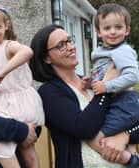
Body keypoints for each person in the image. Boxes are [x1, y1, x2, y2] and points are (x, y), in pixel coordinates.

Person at [29, 24, 139, 168]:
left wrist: (125, 136)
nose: (70, 47)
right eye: (61, 45)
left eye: (69, 40)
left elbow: (133, 115)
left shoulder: (91, 82)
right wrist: (105, 87)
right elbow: (84, 128)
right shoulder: (49, 93)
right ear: (47, 58)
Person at [0, 1, 44, 168]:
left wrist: (3, 71)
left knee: (23, 151)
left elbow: (26, 52)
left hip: (16, 106)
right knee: (16, 149)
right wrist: (21, 130)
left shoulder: (6, 47)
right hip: (7, 117)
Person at [88, 3, 139, 163]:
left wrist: (106, 87)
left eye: (118, 27)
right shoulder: (103, 52)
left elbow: (133, 75)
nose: (113, 31)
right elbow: (103, 74)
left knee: (98, 138)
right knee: (126, 141)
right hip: (114, 100)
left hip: (123, 102)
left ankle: (130, 161)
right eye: (107, 28)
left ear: (127, 30)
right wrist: (90, 81)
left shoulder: (122, 51)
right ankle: (132, 158)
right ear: (98, 32)